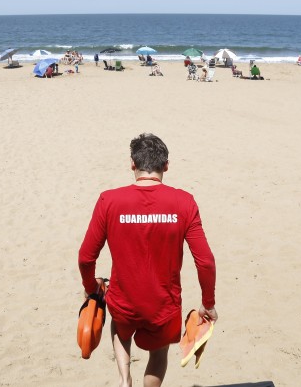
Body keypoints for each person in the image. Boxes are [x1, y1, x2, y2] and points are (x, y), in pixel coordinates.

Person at [78, 133, 217, 387]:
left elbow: (86, 257)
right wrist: (208, 303)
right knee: (159, 352)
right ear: (165, 166)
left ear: (133, 164)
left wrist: (90, 289)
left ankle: (124, 379)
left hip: (124, 301)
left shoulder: (109, 200)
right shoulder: (184, 202)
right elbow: (205, 261)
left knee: (120, 328)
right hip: (163, 306)